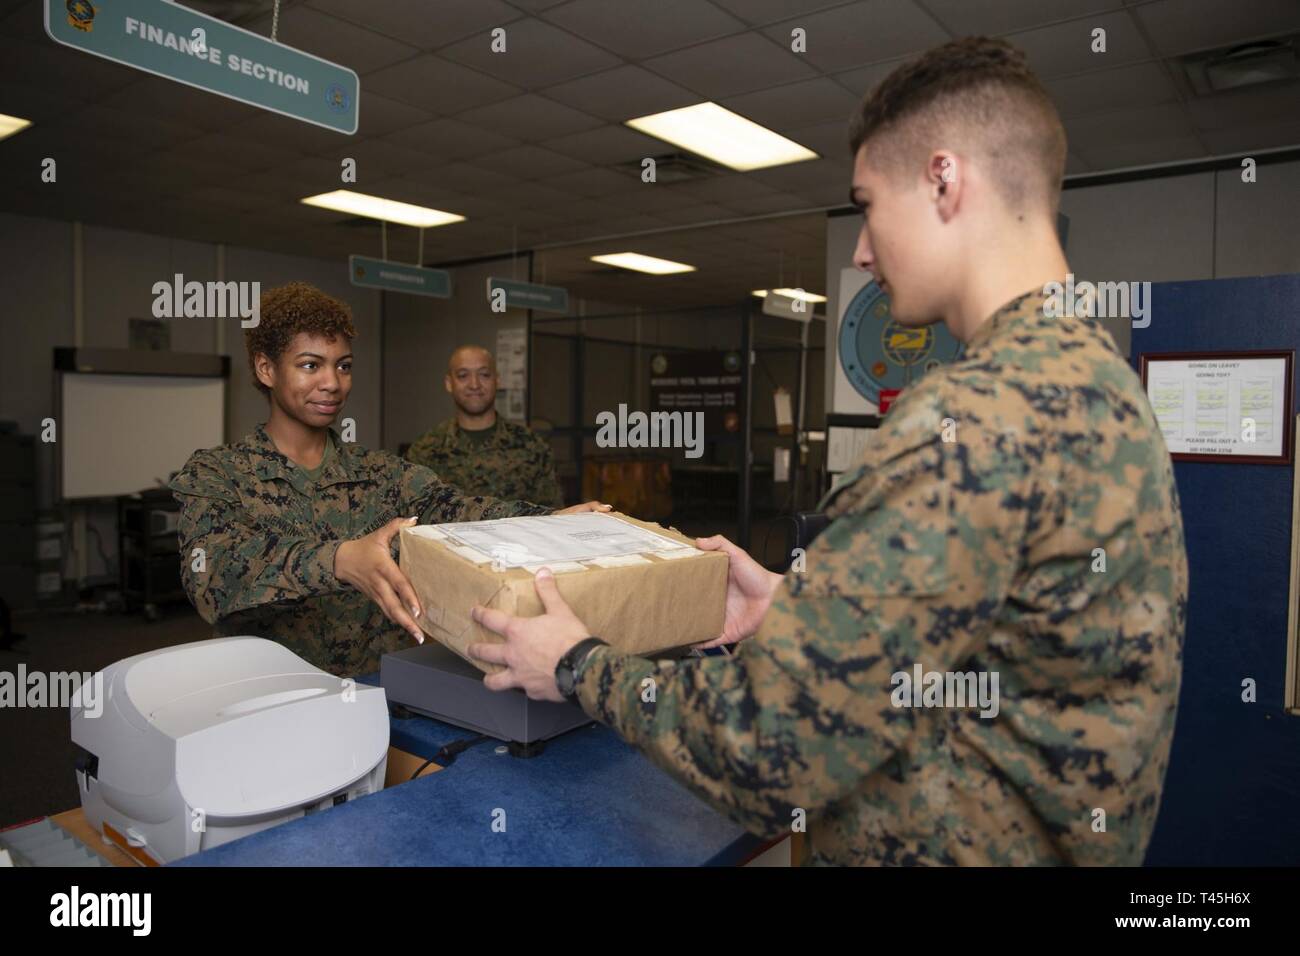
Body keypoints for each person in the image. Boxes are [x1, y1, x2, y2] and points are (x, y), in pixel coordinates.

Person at [465, 37, 1188, 866]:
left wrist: (577, 664)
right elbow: (1011, 654)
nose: (861, 251)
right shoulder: (1102, 383)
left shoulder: (972, 417)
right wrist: (798, 605)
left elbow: (768, 752)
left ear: (944, 181)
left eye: (869, 204)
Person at [171, 282, 607, 676]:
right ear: (266, 369)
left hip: (378, 695)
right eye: (310, 366)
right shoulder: (219, 473)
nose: (332, 383)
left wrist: (548, 520)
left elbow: (457, 509)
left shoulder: (381, 473)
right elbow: (211, 577)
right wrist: (340, 560)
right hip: (274, 697)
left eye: (343, 366)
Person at [405, 345, 563, 508]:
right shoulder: (425, 450)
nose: (474, 384)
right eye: (463, 375)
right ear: (449, 383)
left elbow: (552, 517)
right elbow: (410, 517)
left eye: (484, 375)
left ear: (497, 380)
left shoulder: (532, 448)